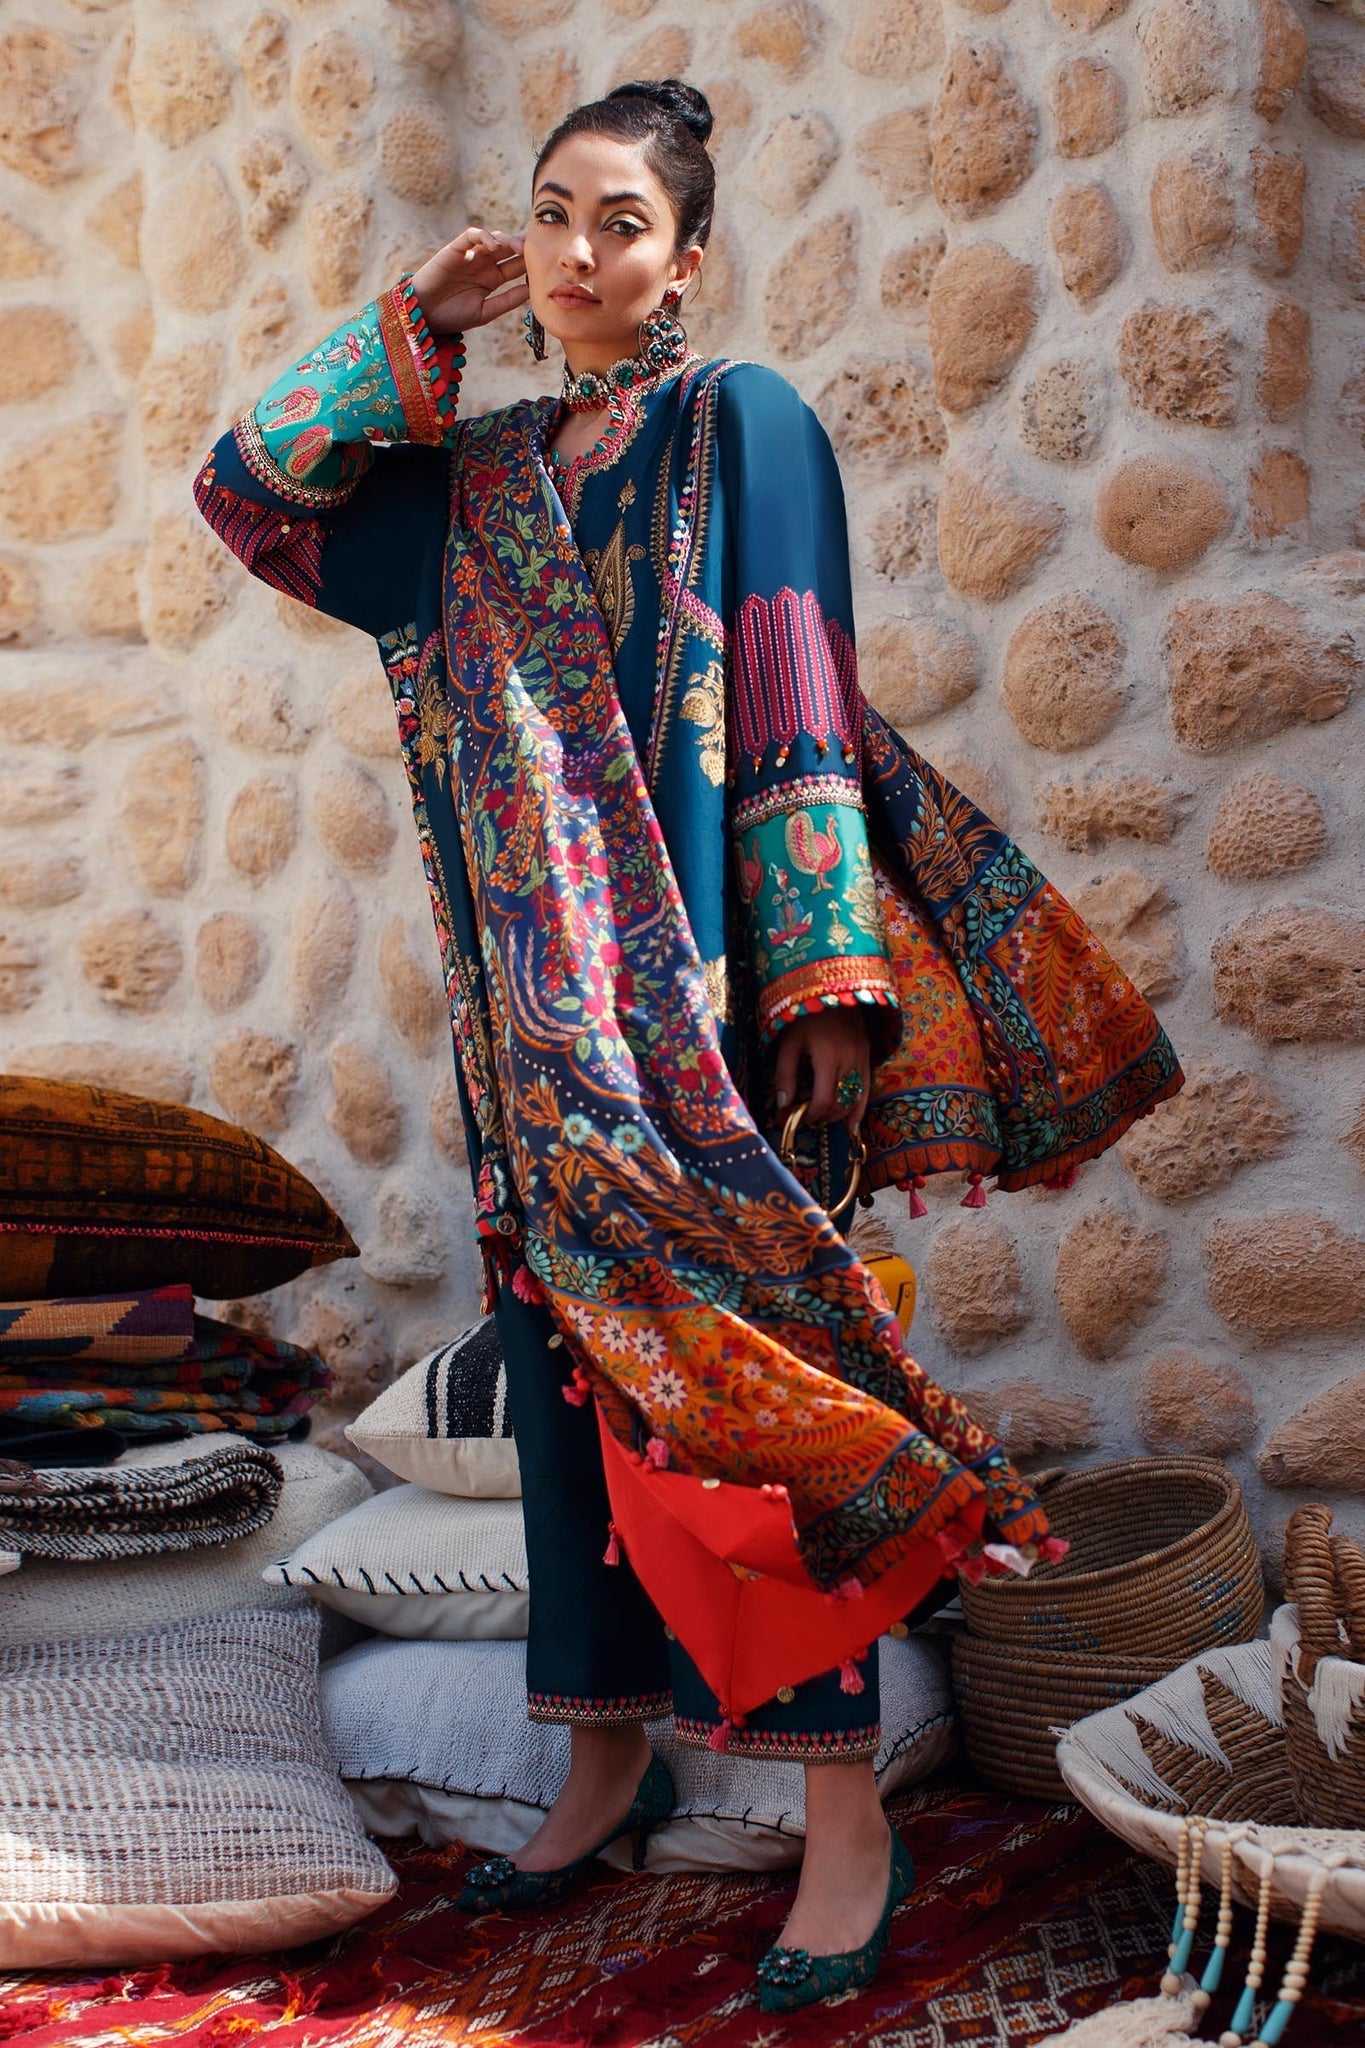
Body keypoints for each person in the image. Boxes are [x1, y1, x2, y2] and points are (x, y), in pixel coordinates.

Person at [195, 79, 1181, 2011]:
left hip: (716, 1004)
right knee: (566, 1392)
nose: (577, 252)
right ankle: (600, 1763)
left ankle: (840, 1818)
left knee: (746, 1408)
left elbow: (799, 677)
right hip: (528, 1019)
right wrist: (414, 325)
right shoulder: (473, 477)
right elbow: (248, 498)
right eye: (552, 213)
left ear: (686, 257)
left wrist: (822, 985)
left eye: (620, 221)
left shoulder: (745, 425)